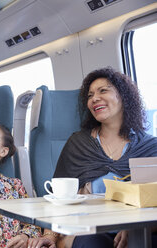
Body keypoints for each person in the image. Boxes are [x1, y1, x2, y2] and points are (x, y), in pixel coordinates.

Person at [54, 67, 157, 248]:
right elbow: (59, 198)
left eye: (103, 90)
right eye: (90, 95)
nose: (94, 98)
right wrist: (49, 235)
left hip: (142, 227)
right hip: (90, 229)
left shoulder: (150, 147)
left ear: (123, 96)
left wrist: (134, 226)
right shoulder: (78, 144)